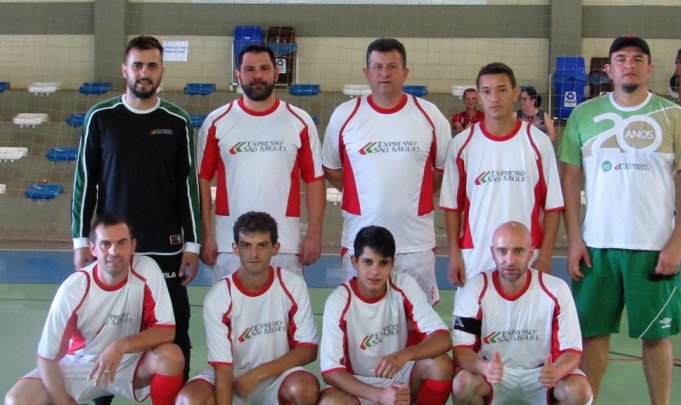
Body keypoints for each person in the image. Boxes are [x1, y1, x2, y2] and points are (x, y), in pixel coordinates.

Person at [559, 35, 681, 405]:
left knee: (656, 337)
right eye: (621, 58)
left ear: (650, 68)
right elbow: (570, 178)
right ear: (608, 69)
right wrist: (574, 239)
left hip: (653, 249)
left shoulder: (674, 116)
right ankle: (588, 400)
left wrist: (677, 243)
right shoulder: (584, 115)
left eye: (638, 59)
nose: (630, 64)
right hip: (598, 246)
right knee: (592, 335)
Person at [71, 35, 200, 386]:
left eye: (152, 66)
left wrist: (192, 245)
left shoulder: (177, 120)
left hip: (166, 245)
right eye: (138, 65)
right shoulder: (101, 117)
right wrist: (82, 240)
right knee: (104, 330)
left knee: (175, 331)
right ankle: (101, 394)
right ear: (124, 69)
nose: (145, 72)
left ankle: (175, 396)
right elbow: (85, 183)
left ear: (162, 71)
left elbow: (186, 187)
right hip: (113, 248)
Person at [322, 38, 452, 306]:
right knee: (362, 322)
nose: (385, 73)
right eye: (377, 66)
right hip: (361, 244)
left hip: (414, 244)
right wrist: (359, 194)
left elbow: (444, 169)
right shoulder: (344, 115)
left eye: (392, 66)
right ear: (366, 73)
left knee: (419, 327)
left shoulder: (429, 115)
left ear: (406, 72)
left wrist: (418, 193)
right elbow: (330, 167)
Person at [5, 215, 184, 405]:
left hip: (129, 362)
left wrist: (120, 346)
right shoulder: (73, 290)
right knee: (17, 400)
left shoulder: (147, 270)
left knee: (171, 357)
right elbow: (47, 358)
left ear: (133, 245)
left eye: (121, 243)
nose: (114, 251)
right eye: (105, 244)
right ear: (93, 249)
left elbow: (166, 330)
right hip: (80, 366)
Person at [197, 44, 325, 284]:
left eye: (264, 68)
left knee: (283, 319)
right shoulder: (217, 122)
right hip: (230, 246)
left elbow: (314, 179)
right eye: (249, 69)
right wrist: (207, 235)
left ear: (276, 73)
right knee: (231, 318)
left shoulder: (300, 121)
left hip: (284, 246)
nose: (257, 75)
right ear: (238, 75)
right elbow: (202, 180)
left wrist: (314, 234)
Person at [440, 62, 563, 289]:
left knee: (525, 324)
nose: (494, 97)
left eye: (502, 90)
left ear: (515, 93)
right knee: (471, 324)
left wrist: (545, 255)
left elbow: (553, 206)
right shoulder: (462, 144)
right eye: (486, 91)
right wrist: (454, 255)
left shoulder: (538, 142)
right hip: (475, 258)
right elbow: (451, 207)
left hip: (527, 258)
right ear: (478, 96)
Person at [175, 211, 320, 405]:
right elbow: (223, 367)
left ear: (275, 248)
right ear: (235, 248)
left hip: (278, 376)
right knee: (188, 400)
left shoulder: (293, 285)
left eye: (262, 245)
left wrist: (258, 374)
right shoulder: (219, 296)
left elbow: (308, 349)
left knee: (305, 388)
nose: (254, 254)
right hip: (230, 377)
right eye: (246, 245)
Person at [451, 221, 592, 405]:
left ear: (531, 252)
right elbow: (461, 350)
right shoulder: (474, 289)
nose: (509, 260)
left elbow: (572, 351)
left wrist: (556, 371)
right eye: (502, 251)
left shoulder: (556, 290)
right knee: (462, 384)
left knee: (579, 391)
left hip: (542, 376)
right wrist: (484, 367)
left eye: (518, 251)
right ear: (493, 252)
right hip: (494, 376)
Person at [319, 225, 453, 405]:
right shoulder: (338, 301)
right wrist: (379, 395)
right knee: (329, 402)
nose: (375, 271)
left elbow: (443, 338)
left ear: (392, 263)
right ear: (354, 262)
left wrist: (404, 355)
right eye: (368, 262)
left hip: (400, 382)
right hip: (359, 385)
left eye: (383, 263)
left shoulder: (403, 285)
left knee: (440, 364)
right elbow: (330, 371)